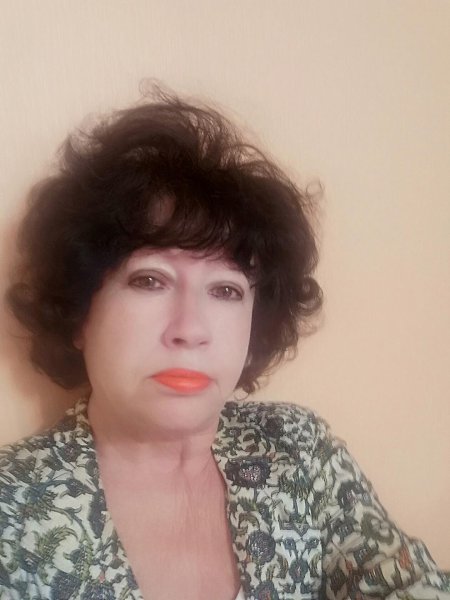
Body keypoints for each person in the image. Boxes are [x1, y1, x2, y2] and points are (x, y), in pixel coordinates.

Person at [0, 89, 448, 600]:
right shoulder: (14, 511)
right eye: (149, 280)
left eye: (226, 290)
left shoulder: (298, 450)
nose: (191, 328)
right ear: (79, 313)